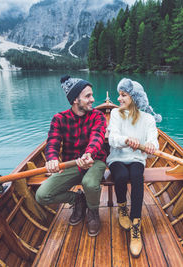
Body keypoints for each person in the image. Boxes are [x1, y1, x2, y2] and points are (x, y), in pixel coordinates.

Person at [35, 75, 107, 237]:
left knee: (89, 183)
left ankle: (93, 212)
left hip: (95, 160)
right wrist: (52, 158)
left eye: (91, 95)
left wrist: (89, 153)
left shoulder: (98, 116)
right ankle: (77, 200)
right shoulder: (59, 119)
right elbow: (52, 142)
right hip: (71, 164)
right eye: (87, 96)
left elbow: (98, 136)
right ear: (75, 99)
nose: (93, 99)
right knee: (42, 195)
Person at [107, 78, 162, 257]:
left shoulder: (148, 119)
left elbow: (153, 144)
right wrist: (126, 140)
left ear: (134, 98)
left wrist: (152, 146)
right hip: (117, 157)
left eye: (123, 95)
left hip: (137, 158)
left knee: (138, 177)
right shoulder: (116, 113)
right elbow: (112, 138)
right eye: (119, 95)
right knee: (121, 175)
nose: (119, 98)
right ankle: (122, 207)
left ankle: (135, 224)